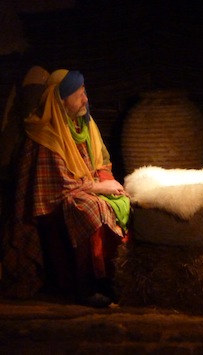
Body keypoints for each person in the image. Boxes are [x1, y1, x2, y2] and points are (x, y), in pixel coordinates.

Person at [1, 69, 130, 308]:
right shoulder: (46, 136)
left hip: (85, 189)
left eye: (85, 92)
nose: (85, 99)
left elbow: (100, 162)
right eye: (78, 94)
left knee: (121, 202)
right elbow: (60, 186)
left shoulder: (84, 127)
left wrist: (108, 181)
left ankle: (112, 280)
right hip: (56, 202)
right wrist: (100, 187)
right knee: (87, 208)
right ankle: (84, 286)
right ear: (61, 101)